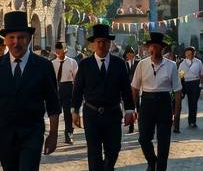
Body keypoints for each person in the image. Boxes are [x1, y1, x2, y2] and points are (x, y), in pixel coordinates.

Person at [0, 11, 61, 170]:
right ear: (5, 40)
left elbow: (53, 104)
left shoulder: (43, 66)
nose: (16, 42)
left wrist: (53, 135)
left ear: (29, 38)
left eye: (21, 37)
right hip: (4, 135)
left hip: (32, 134)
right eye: (12, 37)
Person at [71, 25, 135, 171]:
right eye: (98, 41)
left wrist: (130, 110)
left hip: (112, 113)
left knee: (114, 148)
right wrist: (75, 110)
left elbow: (126, 88)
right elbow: (78, 89)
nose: (101, 44)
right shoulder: (85, 64)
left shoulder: (119, 64)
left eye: (105, 41)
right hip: (91, 113)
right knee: (94, 152)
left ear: (109, 44)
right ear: (93, 44)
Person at [131, 32, 182, 171]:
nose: (154, 49)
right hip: (146, 102)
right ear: (148, 49)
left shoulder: (171, 65)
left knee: (164, 141)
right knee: (143, 139)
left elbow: (177, 91)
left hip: (164, 102)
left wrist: (176, 113)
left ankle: (161, 168)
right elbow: (135, 88)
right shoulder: (141, 64)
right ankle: (152, 160)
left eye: (157, 47)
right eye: (151, 46)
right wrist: (131, 109)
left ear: (162, 48)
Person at [51, 42, 78, 144]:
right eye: (57, 51)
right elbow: (50, 78)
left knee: (68, 113)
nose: (59, 53)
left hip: (68, 88)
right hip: (56, 88)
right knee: (54, 113)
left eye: (61, 50)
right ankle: (53, 135)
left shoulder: (72, 62)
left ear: (65, 51)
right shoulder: (52, 63)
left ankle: (69, 134)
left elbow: (77, 78)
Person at [178, 46, 203, 129]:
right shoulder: (183, 63)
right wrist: (180, 86)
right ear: (185, 54)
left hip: (195, 83)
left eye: (191, 53)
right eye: (187, 53)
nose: (189, 55)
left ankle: (192, 121)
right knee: (186, 102)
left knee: (193, 103)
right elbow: (180, 76)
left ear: (194, 53)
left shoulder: (198, 62)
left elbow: (202, 74)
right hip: (186, 83)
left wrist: (201, 84)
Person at [123, 47, 139, 133]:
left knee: (139, 107)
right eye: (128, 53)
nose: (130, 55)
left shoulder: (138, 62)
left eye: (131, 53)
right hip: (128, 89)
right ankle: (131, 126)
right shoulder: (123, 64)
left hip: (138, 88)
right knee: (130, 107)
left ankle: (141, 125)